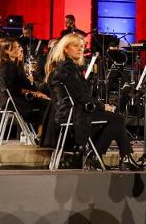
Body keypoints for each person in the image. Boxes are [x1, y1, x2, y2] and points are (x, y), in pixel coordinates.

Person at [45, 32, 134, 168]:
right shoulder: (67, 69)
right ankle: (96, 155)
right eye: (75, 46)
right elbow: (82, 97)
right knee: (118, 119)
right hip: (74, 114)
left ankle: (124, 157)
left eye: (82, 46)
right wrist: (102, 106)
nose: (80, 49)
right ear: (65, 49)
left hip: (71, 112)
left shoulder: (66, 67)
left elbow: (82, 95)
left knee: (116, 120)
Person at [0, 40, 49, 124]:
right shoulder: (6, 66)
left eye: (18, 46)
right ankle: (41, 133)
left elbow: (27, 85)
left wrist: (32, 85)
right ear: (6, 51)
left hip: (17, 99)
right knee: (46, 104)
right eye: (14, 47)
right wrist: (33, 93)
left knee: (46, 101)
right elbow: (12, 89)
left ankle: (40, 133)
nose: (18, 49)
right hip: (11, 101)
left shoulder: (15, 65)